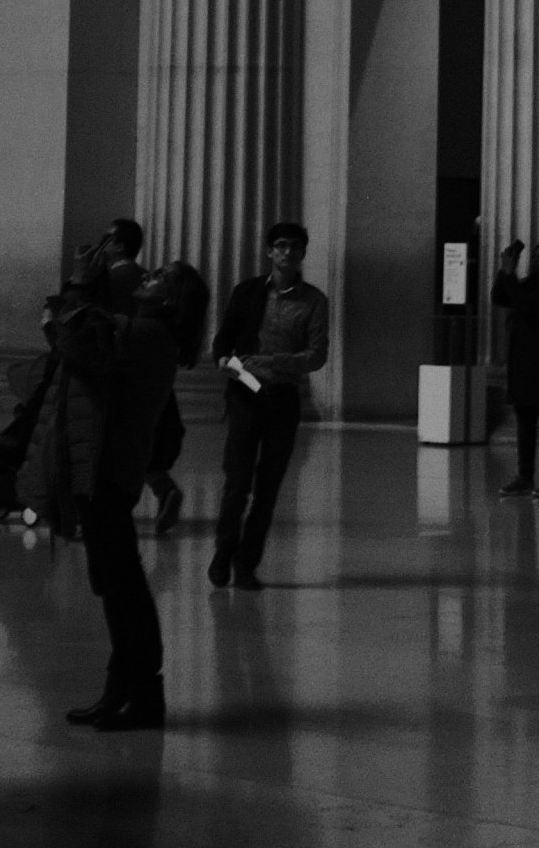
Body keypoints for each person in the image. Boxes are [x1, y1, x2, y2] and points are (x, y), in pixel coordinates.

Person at [40, 252, 179, 729]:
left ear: (173, 300)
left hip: (110, 467)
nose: (149, 274)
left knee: (123, 587)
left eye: (161, 277)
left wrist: (80, 285)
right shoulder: (142, 332)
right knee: (116, 585)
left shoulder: (148, 334)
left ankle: (144, 696)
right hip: (107, 465)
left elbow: (76, 340)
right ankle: (121, 690)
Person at [209, 219, 329, 587]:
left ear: (303, 253)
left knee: (268, 486)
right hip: (245, 393)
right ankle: (224, 551)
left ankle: (246, 563)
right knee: (237, 481)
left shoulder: (314, 301)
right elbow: (224, 337)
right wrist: (223, 359)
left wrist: (274, 362)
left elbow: (316, 355)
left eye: (294, 247)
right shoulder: (247, 292)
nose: (287, 252)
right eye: (281, 246)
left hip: (282, 398)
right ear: (269, 251)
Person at [492, 238, 539, 495]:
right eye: (535, 255)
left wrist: (510, 276)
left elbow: (525, 305)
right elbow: (499, 296)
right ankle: (524, 476)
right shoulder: (528, 284)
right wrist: (505, 270)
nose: (537, 260)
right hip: (524, 362)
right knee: (525, 421)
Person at [144, 262, 211, 530]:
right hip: (160, 409)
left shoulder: (151, 328)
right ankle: (166, 490)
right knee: (148, 462)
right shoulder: (173, 331)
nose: (148, 275)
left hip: (144, 407)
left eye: (160, 275)